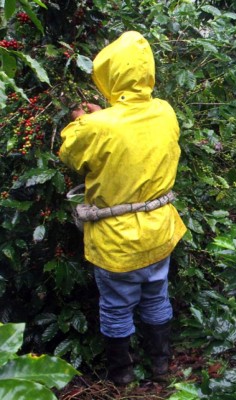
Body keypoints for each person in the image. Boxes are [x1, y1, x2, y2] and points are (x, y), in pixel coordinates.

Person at [59, 31, 187, 385]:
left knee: (116, 306)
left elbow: (71, 153)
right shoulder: (165, 111)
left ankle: (122, 377)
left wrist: (81, 119)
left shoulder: (96, 126)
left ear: (110, 75)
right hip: (159, 230)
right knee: (156, 297)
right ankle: (160, 369)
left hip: (117, 241)